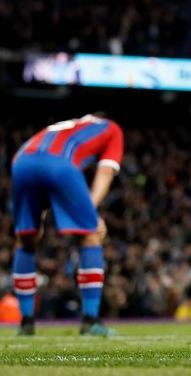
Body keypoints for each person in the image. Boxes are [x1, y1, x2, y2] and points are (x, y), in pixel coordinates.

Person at [10, 113, 123, 336]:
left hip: (21, 161)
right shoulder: (111, 127)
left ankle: (26, 323)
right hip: (58, 162)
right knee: (90, 235)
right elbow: (106, 170)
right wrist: (91, 212)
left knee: (26, 239)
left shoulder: (63, 126)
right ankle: (90, 321)